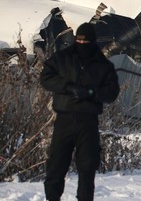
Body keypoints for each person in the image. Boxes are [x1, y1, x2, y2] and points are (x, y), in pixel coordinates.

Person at [40, 22, 120, 201]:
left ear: (93, 41)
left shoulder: (102, 64)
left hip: (88, 121)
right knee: (56, 166)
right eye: (79, 41)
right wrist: (68, 87)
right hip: (64, 118)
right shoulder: (62, 58)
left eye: (86, 42)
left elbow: (112, 92)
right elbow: (46, 78)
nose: (82, 45)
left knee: (87, 168)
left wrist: (92, 93)